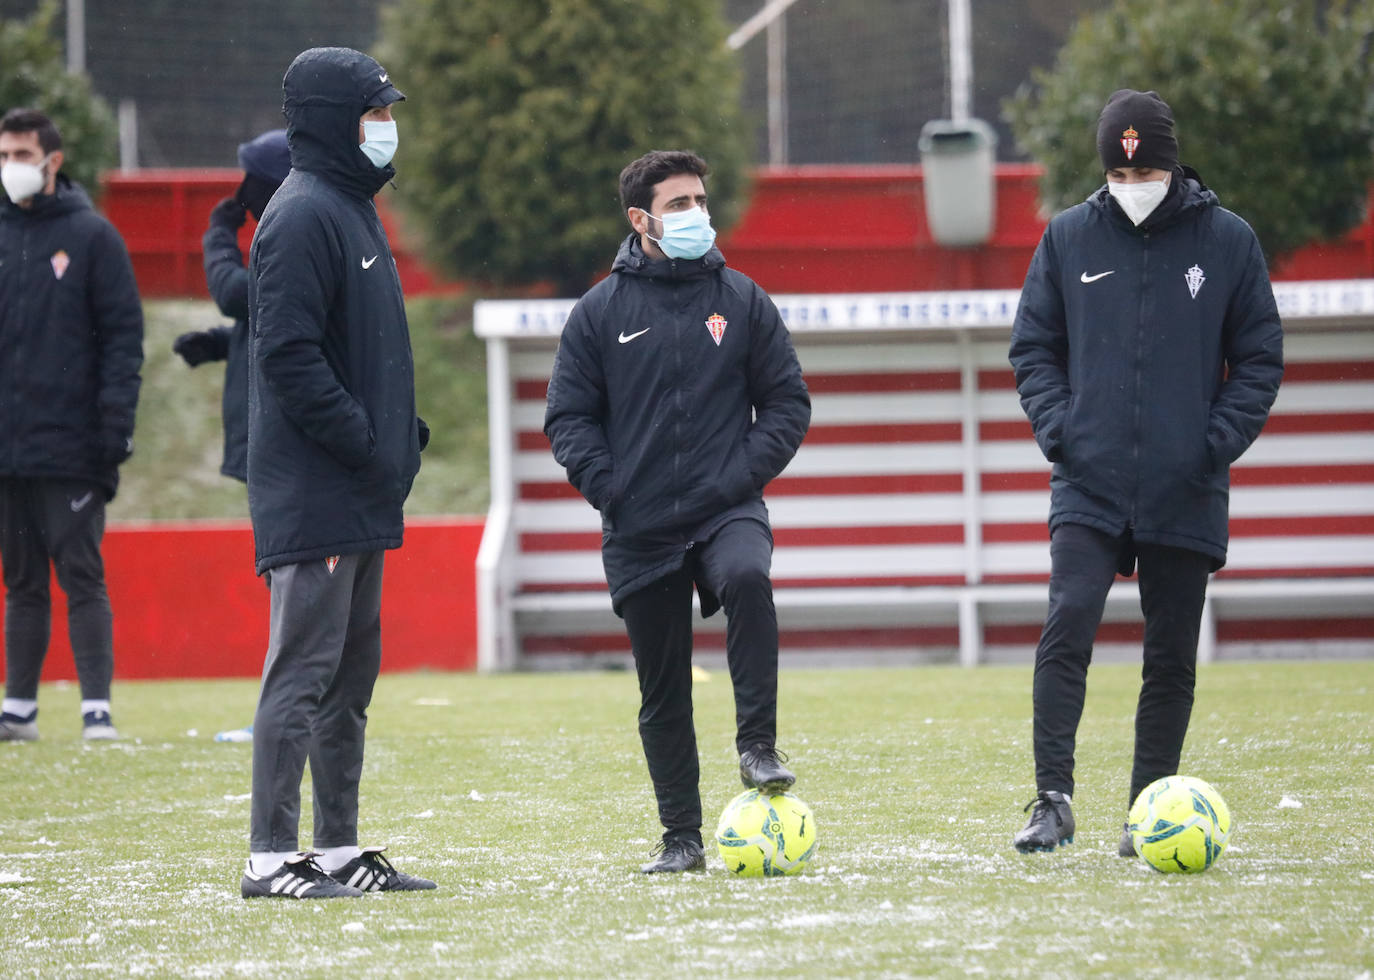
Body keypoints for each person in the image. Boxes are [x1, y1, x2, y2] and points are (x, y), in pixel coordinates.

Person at [1007, 90, 1283, 855]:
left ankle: (1149, 809)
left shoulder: (1228, 241)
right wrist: (1062, 431)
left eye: (1147, 169)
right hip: (1087, 481)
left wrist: (1212, 441)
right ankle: (1051, 800)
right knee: (1067, 626)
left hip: (1185, 483)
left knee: (1170, 653)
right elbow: (1033, 347)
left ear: (1170, 164)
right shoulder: (1067, 238)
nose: (1133, 184)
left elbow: (1259, 357)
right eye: (1120, 172)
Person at [545, 149, 812, 874]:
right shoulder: (599, 312)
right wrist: (613, 490)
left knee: (749, 578)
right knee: (662, 689)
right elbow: (568, 418)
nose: (697, 214)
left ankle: (758, 746)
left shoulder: (743, 298)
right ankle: (682, 840)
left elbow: (788, 402)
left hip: (727, 506)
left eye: (700, 199)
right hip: (638, 524)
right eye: (679, 204)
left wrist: (739, 476)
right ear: (641, 220)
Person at [239, 47, 433, 900]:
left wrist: (403, 436)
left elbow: (366, 352)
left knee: (349, 683)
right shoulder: (301, 214)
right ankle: (271, 859)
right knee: (303, 673)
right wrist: (364, 440)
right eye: (373, 113)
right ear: (330, 119)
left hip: (358, 488)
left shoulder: (351, 207)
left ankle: (340, 849)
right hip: (317, 492)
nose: (386, 128)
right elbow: (287, 356)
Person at [0, 108, 143, 743]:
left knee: (81, 574)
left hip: (74, 449)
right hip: (9, 452)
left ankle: (96, 712)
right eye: (4, 155)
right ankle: (19, 710)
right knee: (21, 581)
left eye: (22, 155)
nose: (12, 168)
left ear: (53, 161)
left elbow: (122, 341)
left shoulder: (93, 238)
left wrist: (113, 433)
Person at [173, 129, 291, 744]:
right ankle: (286, 714)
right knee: (283, 586)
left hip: (280, 450)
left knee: (289, 590)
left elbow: (236, 293)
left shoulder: (288, 241)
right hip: (264, 447)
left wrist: (217, 235)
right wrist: (220, 345)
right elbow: (262, 324)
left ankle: (284, 717)